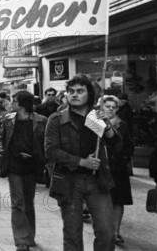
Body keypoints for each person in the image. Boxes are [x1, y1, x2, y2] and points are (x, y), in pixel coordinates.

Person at [44, 74, 122, 251]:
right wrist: (81, 162)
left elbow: (116, 145)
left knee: (106, 232)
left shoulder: (94, 118)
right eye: (71, 91)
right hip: (69, 181)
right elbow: (51, 151)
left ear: (89, 95)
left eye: (80, 91)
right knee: (72, 233)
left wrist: (107, 126)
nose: (74, 95)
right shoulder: (57, 119)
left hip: (97, 181)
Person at [0, 91, 47, 251]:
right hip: (14, 165)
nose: (11, 103)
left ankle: (29, 235)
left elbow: (44, 144)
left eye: (15, 101)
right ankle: (21, 240)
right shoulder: (8, 120)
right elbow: (2, 139)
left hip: (31, 166)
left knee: (28, 203)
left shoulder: (41, 121)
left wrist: (36, 157)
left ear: (23, 103)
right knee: (17, 203)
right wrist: (2, 156)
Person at [100, 95, 134, 245]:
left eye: (114, 107)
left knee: (118, 201)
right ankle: (105, 230)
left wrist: (125, 156)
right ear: (101, 107)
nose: (111, 109)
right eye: (108, 106)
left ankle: (116, 231)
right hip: (102, 167)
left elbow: (129, 144)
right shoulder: (96, 123)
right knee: (103, 200)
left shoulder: (123, 125)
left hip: (118, 168)